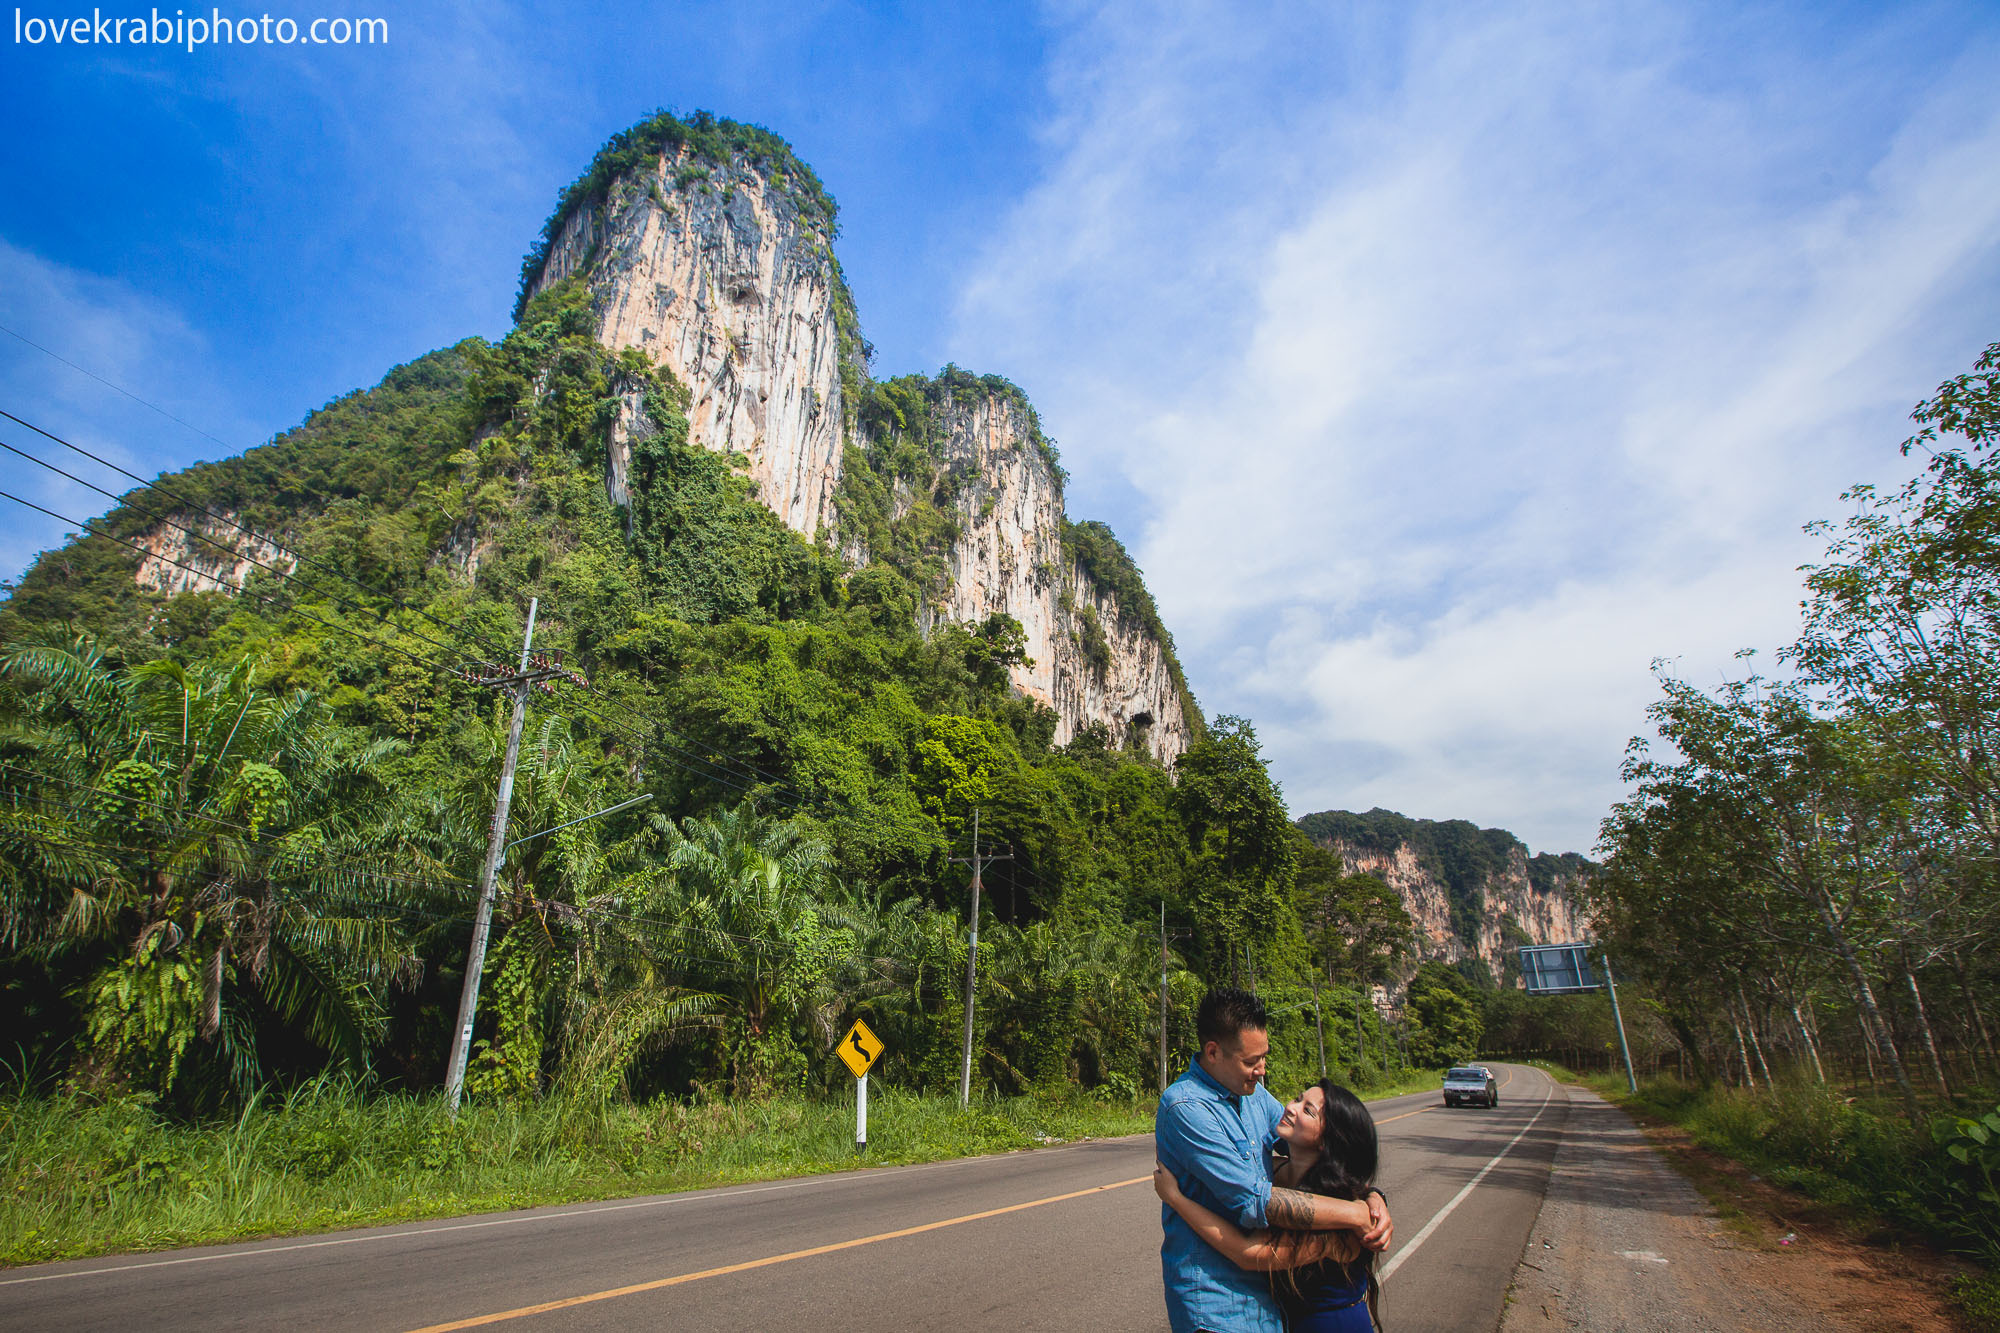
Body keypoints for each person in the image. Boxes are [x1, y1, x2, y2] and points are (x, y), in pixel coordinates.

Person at [1155, 987, 1392, 1333]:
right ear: (1213, 1052)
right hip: (1217, 1304)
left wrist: (1372, 1197)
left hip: (1268, 1306)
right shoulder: (1187, 1107)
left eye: (1264, 1057)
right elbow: (1255, 1201)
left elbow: (1309, 1155)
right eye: (1251, 1061)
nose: (1261, 1070)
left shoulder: (1253, 1095)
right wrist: (1355, 1213)